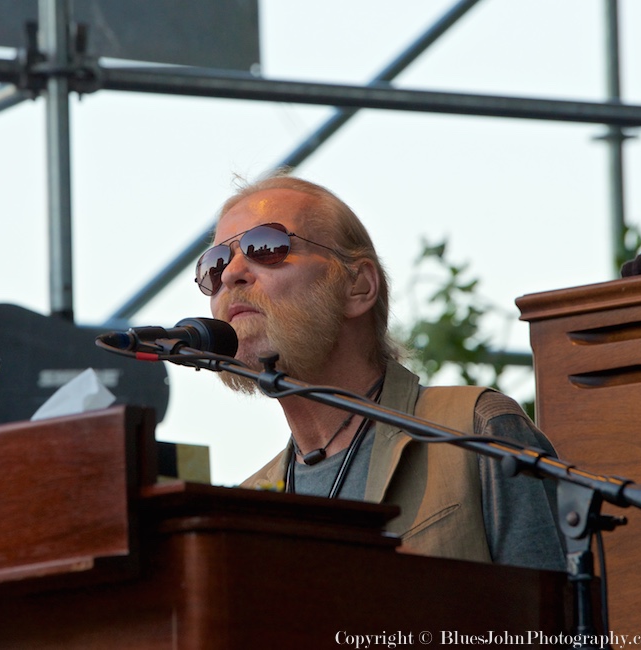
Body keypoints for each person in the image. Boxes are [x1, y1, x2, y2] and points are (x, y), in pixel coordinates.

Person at [194, 172, 566, 572]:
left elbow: (554, 627)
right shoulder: (250, 502)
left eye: (265, 246)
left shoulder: (475, 430)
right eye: (214, 266)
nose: (231, 275)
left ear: (359, 286)